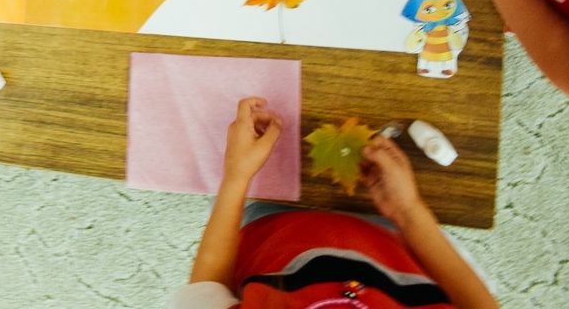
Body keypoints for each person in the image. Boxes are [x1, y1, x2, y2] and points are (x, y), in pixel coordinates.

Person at [173, 97, 498, 307]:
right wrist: (410, 213)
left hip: (271, 227)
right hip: (404, 240)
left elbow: (208, 284)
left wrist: (236, 177)